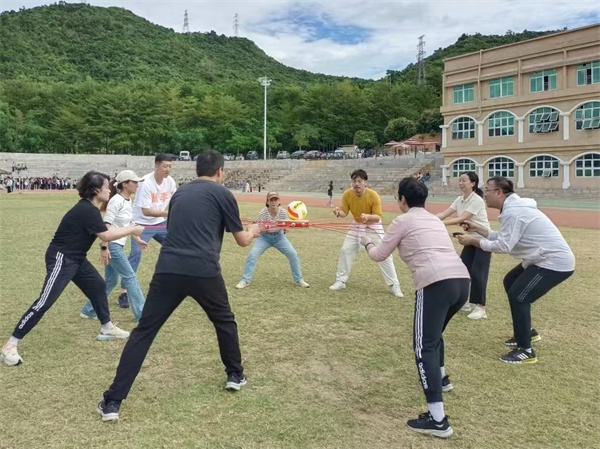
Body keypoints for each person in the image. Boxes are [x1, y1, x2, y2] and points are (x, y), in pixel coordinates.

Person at [97, 150, 261, 422]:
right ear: (220, 172)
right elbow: (242, 240)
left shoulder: (180, 194)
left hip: (168, 269)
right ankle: (235, 374)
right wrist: (255, 230)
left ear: (197, 170)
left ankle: (112, 402)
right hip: (204, 271)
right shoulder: (223, 194)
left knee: (144, 332)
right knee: (224, 322)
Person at [361, 177, 470, 438]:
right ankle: (441, 379)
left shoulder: (402, 220)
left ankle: (438, 420)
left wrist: (366, 241)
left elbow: (379, 255)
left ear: (402, 199)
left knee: (424, 347)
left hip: (435, 284)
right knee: (434, 336)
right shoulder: (434, 219)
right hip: (461, 282)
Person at [0, 171, 144, 367]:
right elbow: (106, 235)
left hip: (77, 258)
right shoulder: (86, 210)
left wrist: (131, 232)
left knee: (98, 286)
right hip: (62, 258)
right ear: (96, 190)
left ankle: (107, 327)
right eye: (106, 186)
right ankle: (10, 345)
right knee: (44, 301)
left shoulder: (91, 209)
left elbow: (107, 231)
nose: (109, 189)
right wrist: (132, 230)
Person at [457, 176, 575, 364]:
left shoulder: (514, 212)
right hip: (540, 259)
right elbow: (503, 236)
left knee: (519, 296)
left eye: (487, 190)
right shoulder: (513, 209)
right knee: (510, 281)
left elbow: (504, 246)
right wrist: (478, 229)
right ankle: (526, 333)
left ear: (499, 193)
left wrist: (473, 241)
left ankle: (526, 351)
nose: (484, 193)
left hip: (553, 262)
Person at [80, 170, 149, 323]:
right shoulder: (116, 201)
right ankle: (142, 315)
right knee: (130, 277)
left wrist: (138, 239)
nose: (137, 185)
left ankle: (89, 310)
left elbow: (128, 224)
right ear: (125, 184)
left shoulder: (127, 201)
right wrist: (104, 248)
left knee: (110, 281)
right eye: (135, 182)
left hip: (116, 245)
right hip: (113, 246)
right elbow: (106, 226)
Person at [329, 169, 403, 297]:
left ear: (365, 183)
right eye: (354, 181)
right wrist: (338, 212)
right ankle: (341, 281)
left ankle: (394, 285)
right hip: (357, 224)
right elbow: (344, 212)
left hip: (373, 225)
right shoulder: (347, 194)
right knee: (346, 250)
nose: (356, 184)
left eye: (359, 181)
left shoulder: (373, 195)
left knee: (384, 255)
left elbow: (377, 217)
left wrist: (368, 217)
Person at [117, 154, 177, 309]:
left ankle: (173, 281)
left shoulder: (170, 182)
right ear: (156, 165)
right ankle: (124, 292)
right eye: (165, 166)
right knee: (136, 254)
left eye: (170, 166)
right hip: (141, 224)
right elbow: (146, 211)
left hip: (160, 223)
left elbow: (175, 200)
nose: (168, 169)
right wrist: (169, 213)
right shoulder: (146, 182)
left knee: (176, 247)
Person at [436, 171, 491, 319]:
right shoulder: (459, 199)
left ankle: (480, 308)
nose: (460, 183)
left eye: (464, 181)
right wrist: (430, 218)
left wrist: (440, 223)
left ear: (472, 184)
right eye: (459, 180)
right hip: (469, 239)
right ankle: (464, 302)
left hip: (482, 239)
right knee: (463, 270)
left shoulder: (477, 200)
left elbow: (462, 218)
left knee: (478, 273)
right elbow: (444, 213)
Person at [236, 192, 310, 289]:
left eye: (276, 199)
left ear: (279, 201)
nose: (274, 202)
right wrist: (265, 228)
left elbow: (286, 227)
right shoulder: (263, 213)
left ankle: (299, 280)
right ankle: (245, 280)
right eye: (271, 200)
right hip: (265, 238)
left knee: (293, 254)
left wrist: (283, 228)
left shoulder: (283, 212)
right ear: (267, 202)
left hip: (279, 237)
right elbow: (259, 227)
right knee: (252, 255)